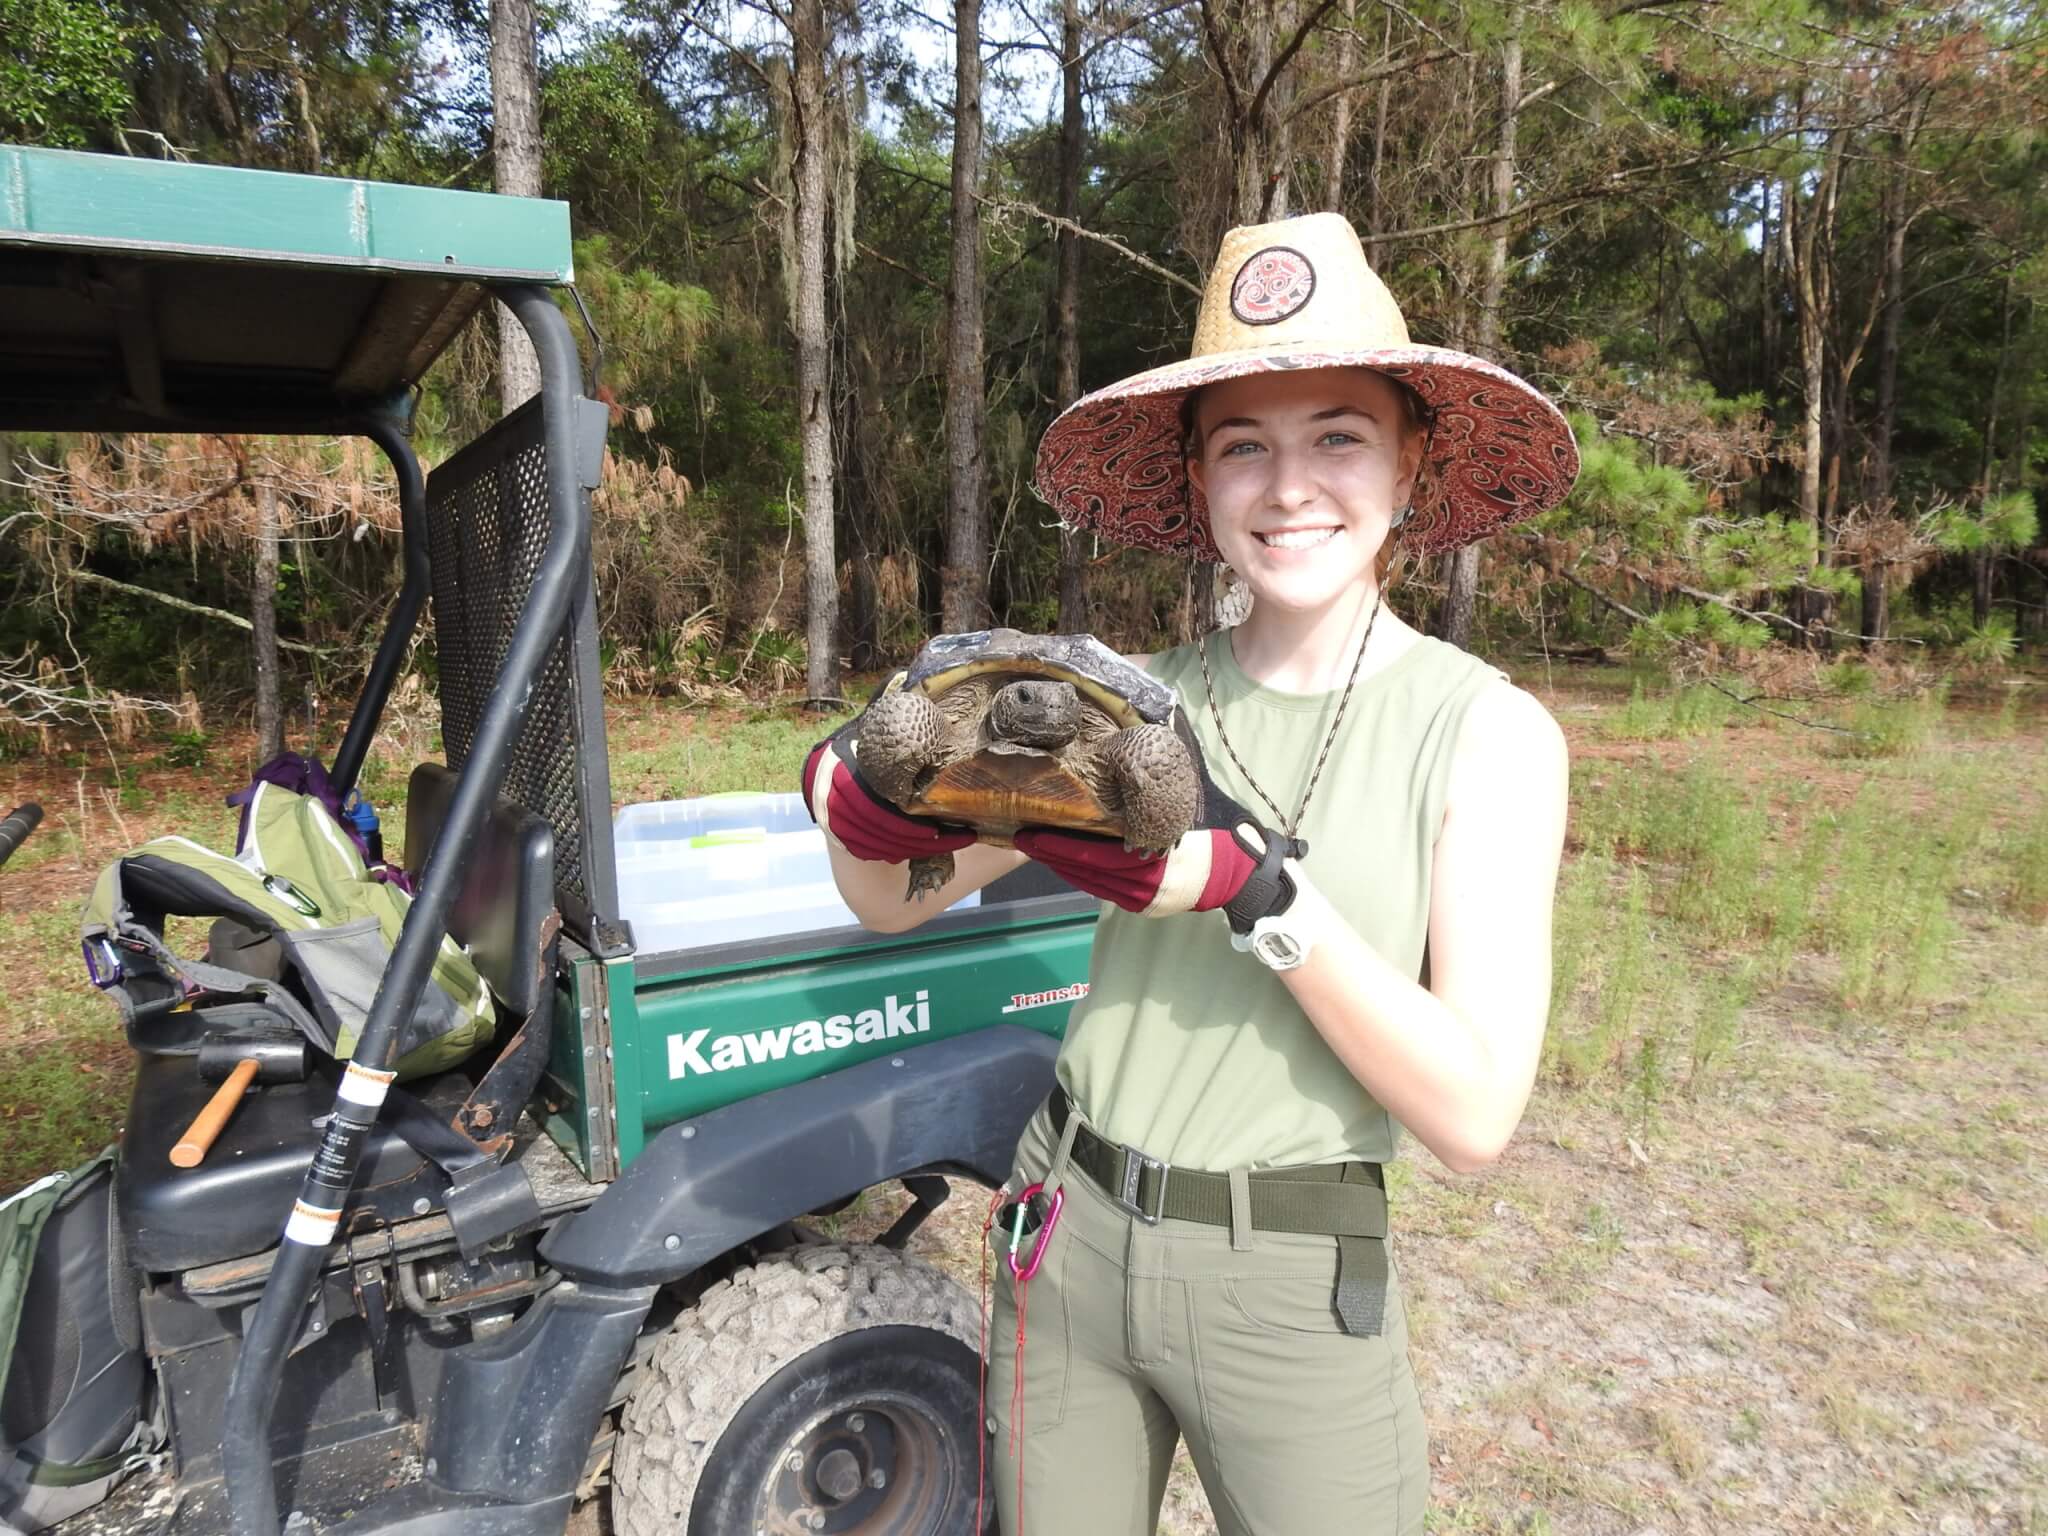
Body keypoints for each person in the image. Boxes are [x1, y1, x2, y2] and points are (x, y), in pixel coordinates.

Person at [801, 211, 1577, 1535]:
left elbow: (1474, 1116)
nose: (1289, 487)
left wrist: (1259, 896)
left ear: (1411, 460)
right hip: (1067, 1232)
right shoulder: (1121, 710)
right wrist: (874, 801)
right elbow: (885, 902)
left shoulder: (1486, 733)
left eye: (1338, 433)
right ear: (1200, 481)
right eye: (1243, 446)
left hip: (1282, 1272)